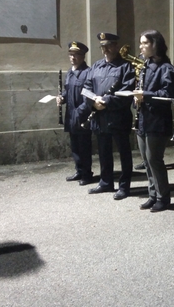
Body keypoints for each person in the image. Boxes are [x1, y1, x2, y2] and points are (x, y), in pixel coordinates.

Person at [84, 33, 136, 200]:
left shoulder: (125, 67)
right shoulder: (96, 66)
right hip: (99, 117)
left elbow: (127, 93)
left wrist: (105, 101)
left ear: (115, 46)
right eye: (102, 47)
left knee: (123, 153)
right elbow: (86, 88)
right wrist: (93, 102)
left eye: (108, 46)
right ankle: (106, 182)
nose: (105, 50)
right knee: (103, 151)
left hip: (118, 117)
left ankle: (124, 186)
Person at [132, 30, 174, 212]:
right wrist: (137, 96)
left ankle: (163, 197)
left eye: (144, 43)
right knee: (146, 159)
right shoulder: (146, 65)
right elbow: (141, 88)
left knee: (154, 160)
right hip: (143, 118)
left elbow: (167, 94)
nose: (141, 47)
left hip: (157, 120)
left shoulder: (167, 68)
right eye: (141, 43)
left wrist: (145, 95)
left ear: (155, 44)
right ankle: (152, 195)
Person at [57, 41, 94, 186]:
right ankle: (79, 170)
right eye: (71, 55)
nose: (73, 57)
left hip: (82, 115)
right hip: (70, 115)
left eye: (76, 55)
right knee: (75, 146)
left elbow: (89, 96)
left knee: (84, 146)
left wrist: (80, 112)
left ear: (83, 56)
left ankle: (87, 174)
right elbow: (67, 91)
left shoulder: (88, 73)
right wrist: (62, 98)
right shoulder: (70, 73)